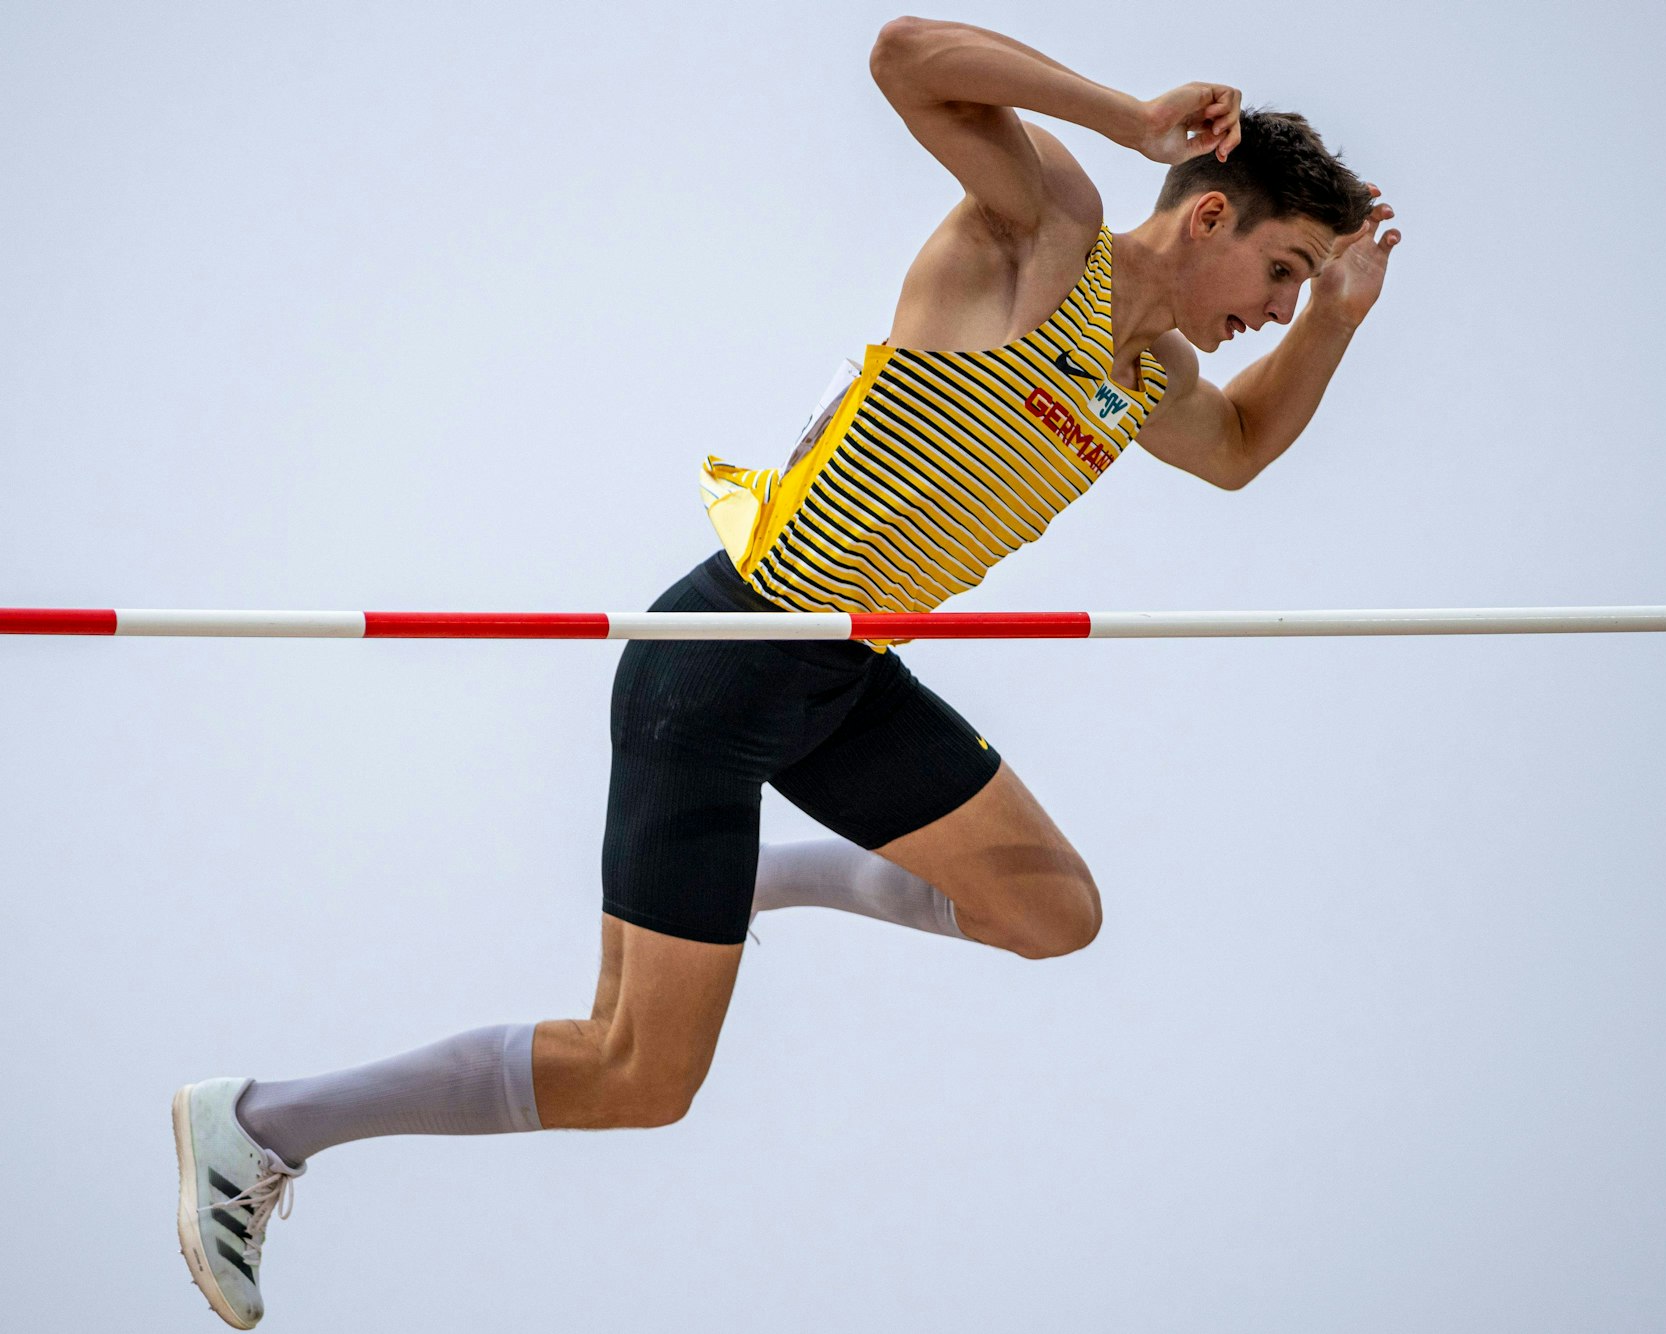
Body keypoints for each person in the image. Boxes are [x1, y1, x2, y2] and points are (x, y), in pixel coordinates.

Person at [171, 16, 1400, 1327]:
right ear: (1208, 217)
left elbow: (1243, 448)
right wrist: (1122, 117)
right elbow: (906, 54)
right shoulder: (1046, 235)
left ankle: (771, 874)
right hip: (722, 663)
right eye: (1281, 272)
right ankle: (259, 1124)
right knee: (639, 1073)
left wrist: (1339, 312)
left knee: (1054, 911)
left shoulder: (1149, 378)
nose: (1272, 310)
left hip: (843, 678)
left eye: (1294, 291)